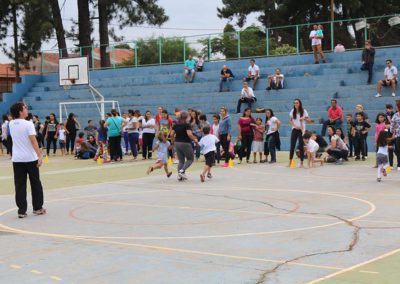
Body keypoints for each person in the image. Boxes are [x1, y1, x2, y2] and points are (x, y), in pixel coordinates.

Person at [9, 102, 46, 218]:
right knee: (35, 183)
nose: (27, 109)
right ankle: (38, 208)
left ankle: (21, 210)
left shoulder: (11, 124)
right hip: (30, 158)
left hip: (17, 159)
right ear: (20, 111)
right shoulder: (28, 124)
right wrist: (40, 156)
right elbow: (33, 141)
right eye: (25, 108)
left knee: (19, 184)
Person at [170, 111, 198, 181]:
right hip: (185, 143)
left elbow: (171, 134)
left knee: (181, 161)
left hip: (177, 143)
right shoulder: (187, 125)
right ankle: (182, 171)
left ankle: (180, 176)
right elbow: (189, 134)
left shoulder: (175, 125)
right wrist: (195, 139)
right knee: (190, 159)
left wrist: (173, 142)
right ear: (186, 117)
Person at [289, 99, 311, 167]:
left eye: (297, 103)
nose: (295, 104)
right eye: (294, 103)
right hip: (295, 129)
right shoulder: (293, 111)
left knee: (301, 146)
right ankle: (290, 162)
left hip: (302, 130)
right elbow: (290, 121)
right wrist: (295, 126)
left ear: (300, 104)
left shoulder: (304, 111)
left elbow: (309, 121)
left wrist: (303, 119)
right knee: (292, 145)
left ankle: (301, 163)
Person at [390, 100, 400, 171]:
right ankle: (399, 164)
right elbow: (392, 124)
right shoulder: (395, 115)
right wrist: (392, 131)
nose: (397, 107)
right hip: (397, 135)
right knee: (397, 150)